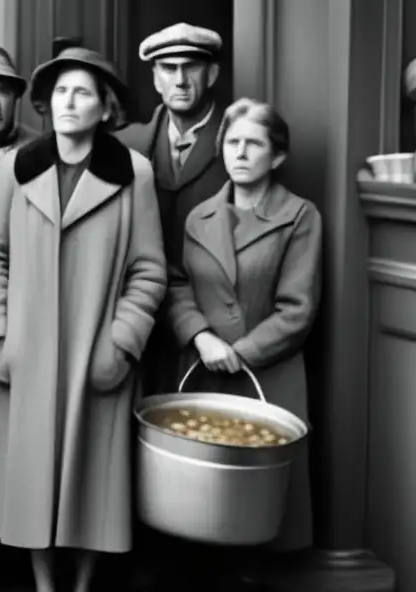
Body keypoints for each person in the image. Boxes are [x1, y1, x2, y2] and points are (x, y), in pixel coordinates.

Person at [0, 46, 166, 592]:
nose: (67, 102)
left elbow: (149, 271)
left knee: (91, 484)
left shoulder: (136, 174)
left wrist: (121, 344)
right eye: (59, 91)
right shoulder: (16, 167)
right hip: (26, 354)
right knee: (31, 481)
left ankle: (81, 585)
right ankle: (42, 584)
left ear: (106, 108)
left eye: (81, 92)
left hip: (94, 352)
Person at [167, 99, 320, 566]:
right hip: (202, 372)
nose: (240, 152)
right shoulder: (198, 217)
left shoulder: (299, 216)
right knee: (200, 510)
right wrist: (200, 336)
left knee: (260, 513)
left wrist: (241, 351)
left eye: (254, 144)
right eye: (232, 142)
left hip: (266, 378)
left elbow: (298, 308)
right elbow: (176, 285)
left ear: (276, 156)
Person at [116, 22, 226, 396]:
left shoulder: (239, 145)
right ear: (155, 79)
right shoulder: (124, 146)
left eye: (190, 67)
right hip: (135, 325)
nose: (179, 80)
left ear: (211, 74)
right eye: (168, 68)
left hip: (212, 333)